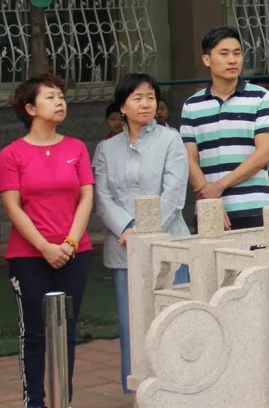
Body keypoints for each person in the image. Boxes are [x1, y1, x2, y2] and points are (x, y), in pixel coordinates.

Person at [93, 73, 190, 393]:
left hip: (169, 242)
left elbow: (174, 193)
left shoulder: (170, 139)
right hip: (123, 247)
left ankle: (177, 386)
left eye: (150, 97)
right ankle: (138, 390)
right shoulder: (106, 149)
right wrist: (126, 228)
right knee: (131, 322)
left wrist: (145, 230)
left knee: (173, 318)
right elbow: (102, 197)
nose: (146, 103)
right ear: (122, 106)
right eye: (137, 98)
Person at [1, 74, 94, 408]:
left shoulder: (76, 148)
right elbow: (13, 206)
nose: (60, 102)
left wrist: (69, 243)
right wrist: (44, 247)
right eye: (51, 97)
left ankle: (61, 400)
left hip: (75, 253)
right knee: (36, 333)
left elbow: (86, 197)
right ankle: (35, 402)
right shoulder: (13, 154)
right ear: (30, 108)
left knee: (66, 331)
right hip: (29, 257)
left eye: (61, 97)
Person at [180, 26, 269, 230]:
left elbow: (264, 153)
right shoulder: (191, 105)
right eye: (224, 54)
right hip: (210, 209)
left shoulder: (260, 97)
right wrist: (210, 200)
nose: (232, 60)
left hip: (254, 206)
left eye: (237, 53)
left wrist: (220, 186)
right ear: (206, 60)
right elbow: (189, 158)